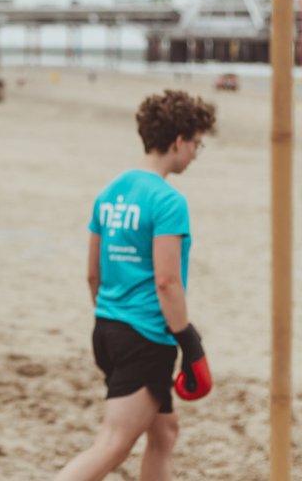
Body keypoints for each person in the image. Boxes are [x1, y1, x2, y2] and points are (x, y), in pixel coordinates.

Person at [56, 89, 216, 481]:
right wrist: (189, 341)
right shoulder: (168, 201)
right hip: (145, 338)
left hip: (108, 330)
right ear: (178, 141)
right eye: (196, 144)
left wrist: (111, 314)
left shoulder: (110, 193)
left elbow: (93, 274)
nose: (196, 153)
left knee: (164, 432)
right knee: (112, 445)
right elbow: (166, 281)